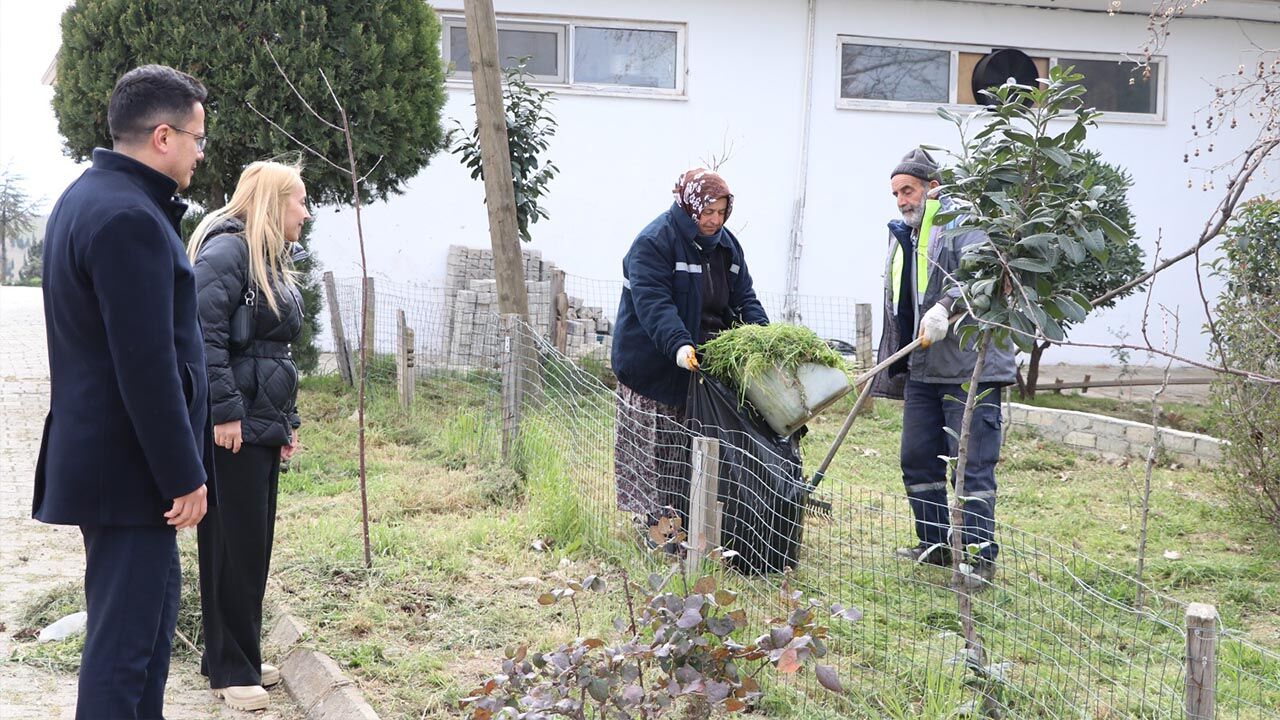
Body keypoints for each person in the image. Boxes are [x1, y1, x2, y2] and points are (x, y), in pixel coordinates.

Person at [33, 64, 213, 719]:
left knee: (145, 643)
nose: (200, 151)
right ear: (162, 136)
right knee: (123, 655)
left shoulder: (92, 197)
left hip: (121, 468)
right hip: (132, 472)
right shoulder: (127, 216)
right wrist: (182, 473)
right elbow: (146, 365)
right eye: (197, 137)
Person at [187, 160, 309, 711]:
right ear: (271, 202)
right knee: (232, 547)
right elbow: (202, 335)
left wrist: (288, 423)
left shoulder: (268, 259)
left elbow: (275, 355)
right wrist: (225, 411)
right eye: (298, 202)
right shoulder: (229, 253)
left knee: (251, 546)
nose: (305, 214)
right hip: (234, 428)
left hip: (260, 425)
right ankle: (231, 670)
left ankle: (233, 656)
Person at [870, 148, 1016, 587]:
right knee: (916, 459)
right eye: (895, 192)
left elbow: (982, 273)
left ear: (933, 187)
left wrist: (946, 307)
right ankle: (935, 544)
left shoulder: (962, 223)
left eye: (908, 190)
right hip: (924, 368)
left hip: (971, 367)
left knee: (970, 465)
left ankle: (977, 556)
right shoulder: (905, 234)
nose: (900, 200)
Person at [611, 168, 768, 532]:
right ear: (690, 205)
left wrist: (762, 339)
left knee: (693, 450)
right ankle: (655, 527)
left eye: (721, 212)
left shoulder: (727, 246)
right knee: (659, 450)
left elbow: (744, 297)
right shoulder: (654, 242)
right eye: (707, 211)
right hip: (654, 365)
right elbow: (655, 305)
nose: (715, 221)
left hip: (703, 366)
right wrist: (680, 345)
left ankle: (693, 523)